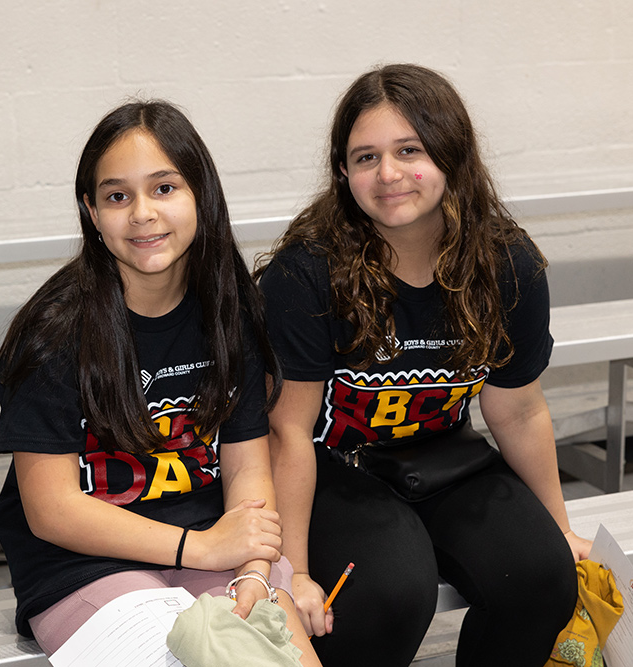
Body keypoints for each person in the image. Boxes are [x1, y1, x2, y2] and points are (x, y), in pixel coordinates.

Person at [256, 64, 592, 667]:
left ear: (450, 155)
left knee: (541, 577)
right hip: (335, 470)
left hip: (444, 458)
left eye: (409, 150)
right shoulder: (306, 274)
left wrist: (559, 529)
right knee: (389, 594)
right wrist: (294, 574)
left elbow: (517, 408)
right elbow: (287, 433)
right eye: (365, 157)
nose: (388, 174)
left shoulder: (506, 264)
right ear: (342, 172)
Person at [0, 100, 320, 666]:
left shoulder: (228, 314)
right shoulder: (57, 331)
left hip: (214, 546)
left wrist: (254, 568)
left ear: (201, 196)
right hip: (85, 564)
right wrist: (203, 546)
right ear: (92, 213)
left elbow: (246, 464)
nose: (142, 213)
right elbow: (53, 510)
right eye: (118, 196)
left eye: (164, 188)